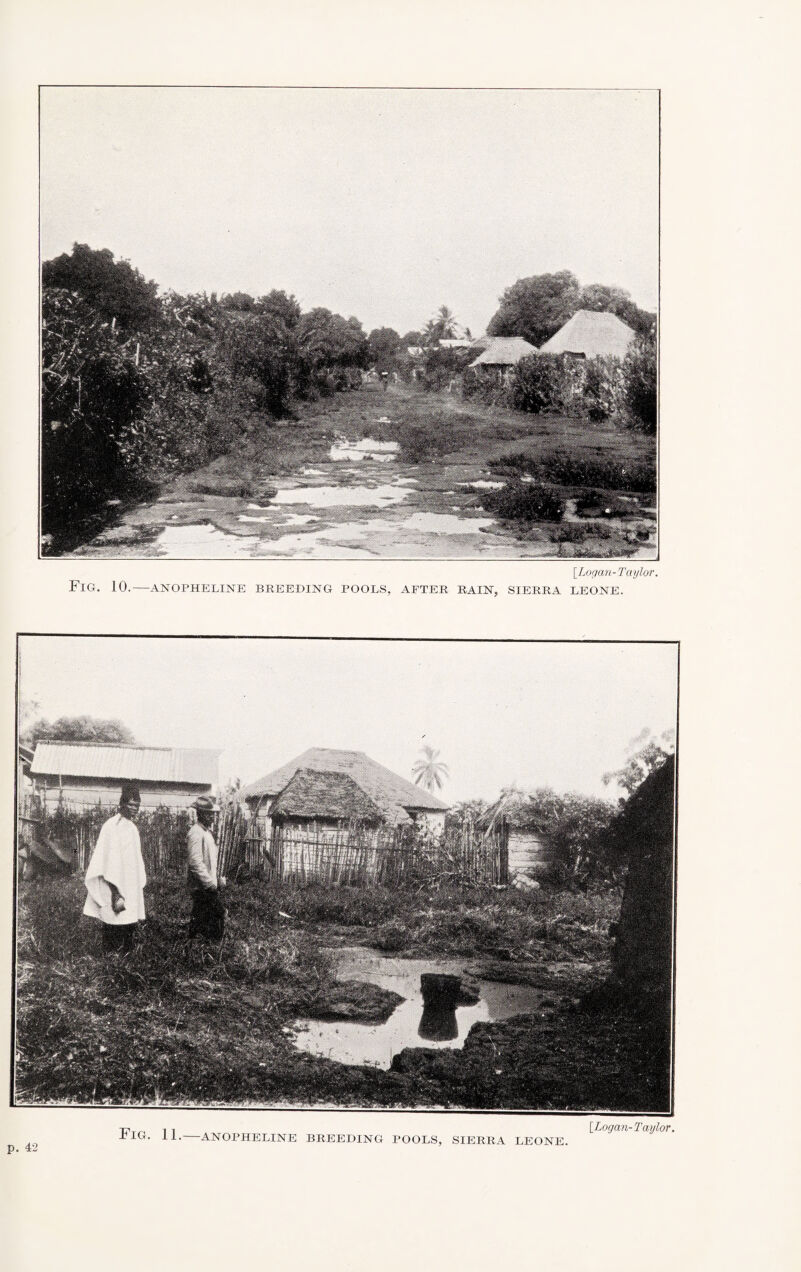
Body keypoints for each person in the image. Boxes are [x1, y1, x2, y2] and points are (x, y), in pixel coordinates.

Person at [83, 782, 146, 953]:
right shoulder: (111, 826)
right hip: (113, 884)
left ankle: (126, 956)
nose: (134, 809)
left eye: (137, 805)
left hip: (129, 883)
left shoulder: (132, 828)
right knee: (113, 923)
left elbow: (134, 860)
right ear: (122, 804)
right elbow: (106, 861)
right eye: (131, 804)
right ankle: (110, 959)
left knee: (129, 922)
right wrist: (115, 891)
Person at [186, 795, 225, 939]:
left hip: (207, 885)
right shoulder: (195, 833)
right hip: (201, 887)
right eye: (208, 814)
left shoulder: (206, 833)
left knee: (203, 917)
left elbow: (210, 860)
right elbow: (195, 862)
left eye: (212, 814)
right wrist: (209, 883)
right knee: (216, 914)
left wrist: (216, 879)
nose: (212, 817)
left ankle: (196, 945)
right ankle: (207, 946)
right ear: (200, 814)